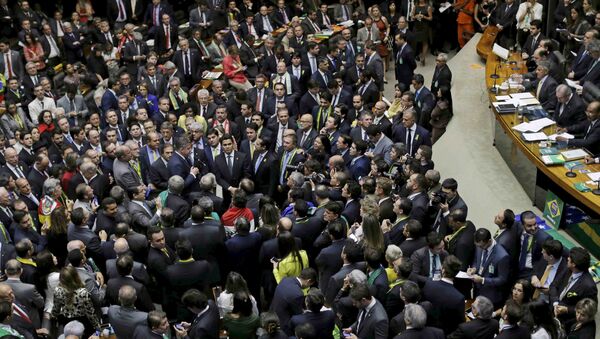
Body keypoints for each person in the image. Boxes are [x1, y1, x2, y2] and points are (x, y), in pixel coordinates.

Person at [51, 266, 101, 337]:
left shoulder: (58, 290)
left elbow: (56, 308)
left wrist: (53, 316)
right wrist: (97, 326)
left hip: (66, 321)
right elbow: (90, 312)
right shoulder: (83, 292)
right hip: (83, 322)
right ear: (76, 277)